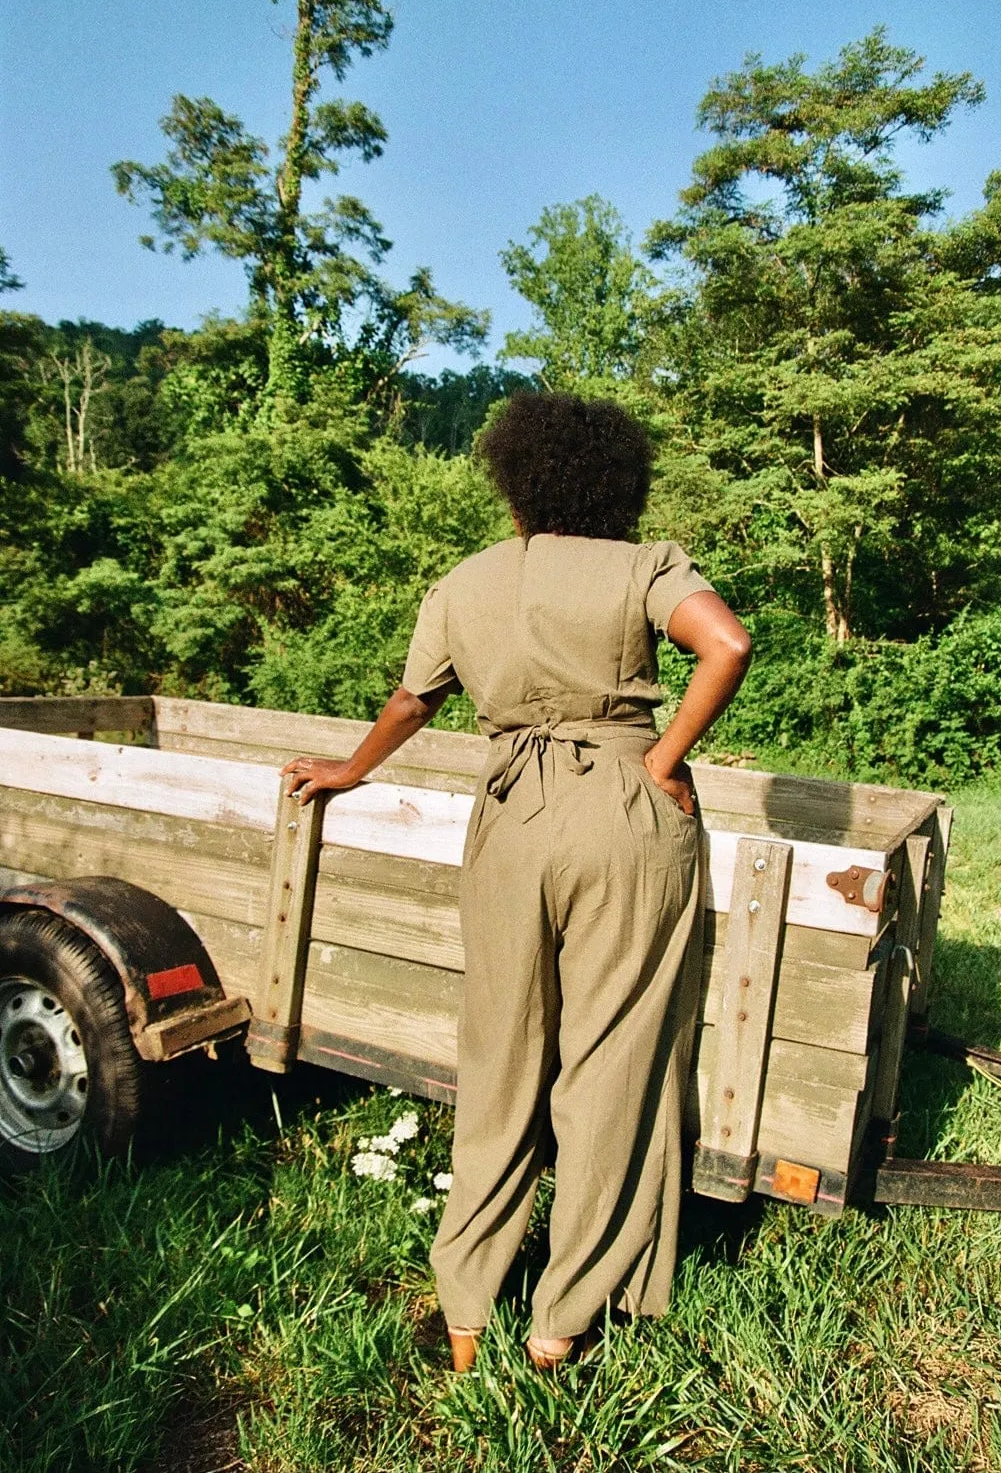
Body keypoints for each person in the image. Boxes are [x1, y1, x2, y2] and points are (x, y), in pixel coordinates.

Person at [282, 392, 751, 1371]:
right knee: (610, 1062)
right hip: (624, 813)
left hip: (509, 820)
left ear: (515, 482)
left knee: (498, 1057)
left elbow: (414, 698)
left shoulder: (463, 582)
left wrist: (346, 770)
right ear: (616, 482)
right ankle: (558, 1325)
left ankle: (462, 1316)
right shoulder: (642, 564)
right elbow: (726, 644)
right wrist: (662, 763)